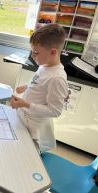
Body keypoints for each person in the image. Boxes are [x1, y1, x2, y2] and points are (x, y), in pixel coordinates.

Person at [10, 24, 68, 153]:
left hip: (35, 127)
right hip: (25, 117)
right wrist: (26, 87)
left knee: (27, 156)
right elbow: (41, 83)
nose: (32, 56)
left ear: (53, 52)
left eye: (36, 53)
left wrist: (26, 104)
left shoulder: (57, 78)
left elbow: (55, 111)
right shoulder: (45, 65)